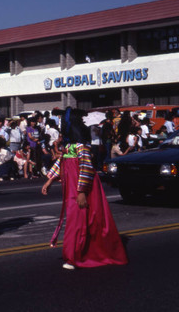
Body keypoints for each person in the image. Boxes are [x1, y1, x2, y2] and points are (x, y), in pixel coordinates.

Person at [41, 107, 128, 270]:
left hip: (83, 189)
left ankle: (75, 257)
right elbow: (61, 164)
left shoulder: (81, 146)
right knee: (78, 219)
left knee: (79, 220)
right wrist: (49, 181)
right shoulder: (70, 146)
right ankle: (77, 253)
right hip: (73, 189)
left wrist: (81, 192)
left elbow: (86, 168)